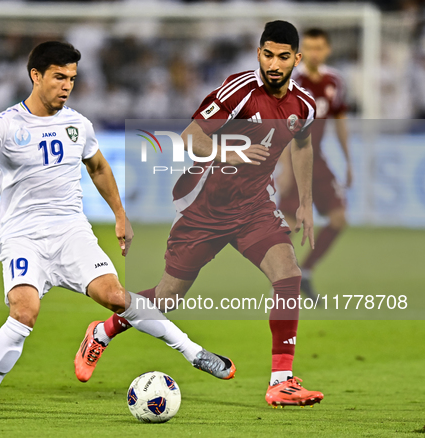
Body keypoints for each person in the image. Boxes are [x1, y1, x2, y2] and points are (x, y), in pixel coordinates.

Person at [0, 41, 235, 421]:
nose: (67, 86)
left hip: (70, 233)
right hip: (23, 236)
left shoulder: (78, 124)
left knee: (116, 296)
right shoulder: (6, 125)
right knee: (25, 311)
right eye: (59, 77)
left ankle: (194, 353)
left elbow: (97, 166)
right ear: (36, 76)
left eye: (72, 79)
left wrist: (119, 214)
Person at [75, 21, 325, 408]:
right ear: (259, 54)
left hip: (254, 208)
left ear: (297, 58)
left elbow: (304, 145)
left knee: (288, 275)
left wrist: (306, 200)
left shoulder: (304, 106)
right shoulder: (239, 91)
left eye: (282, 56)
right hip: (204, 208)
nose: (274, 64)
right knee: (166, 298)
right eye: (267, 54)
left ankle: (282, 381)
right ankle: (103, 331)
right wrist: (232, 153)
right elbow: (191, 137)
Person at [277, 28, 351, 300]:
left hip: (317, 159)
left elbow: (339, 121)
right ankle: (285, 280)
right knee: (288, 223)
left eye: (319, 47)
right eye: (309, 48)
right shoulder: (291, 81)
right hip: (295, 157)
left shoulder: (335, 81)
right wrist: (284, 167)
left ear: (327, 50)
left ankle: (304, 272)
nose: (314, 53)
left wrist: (348, 161)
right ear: (300, 52)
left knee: (338, 219)